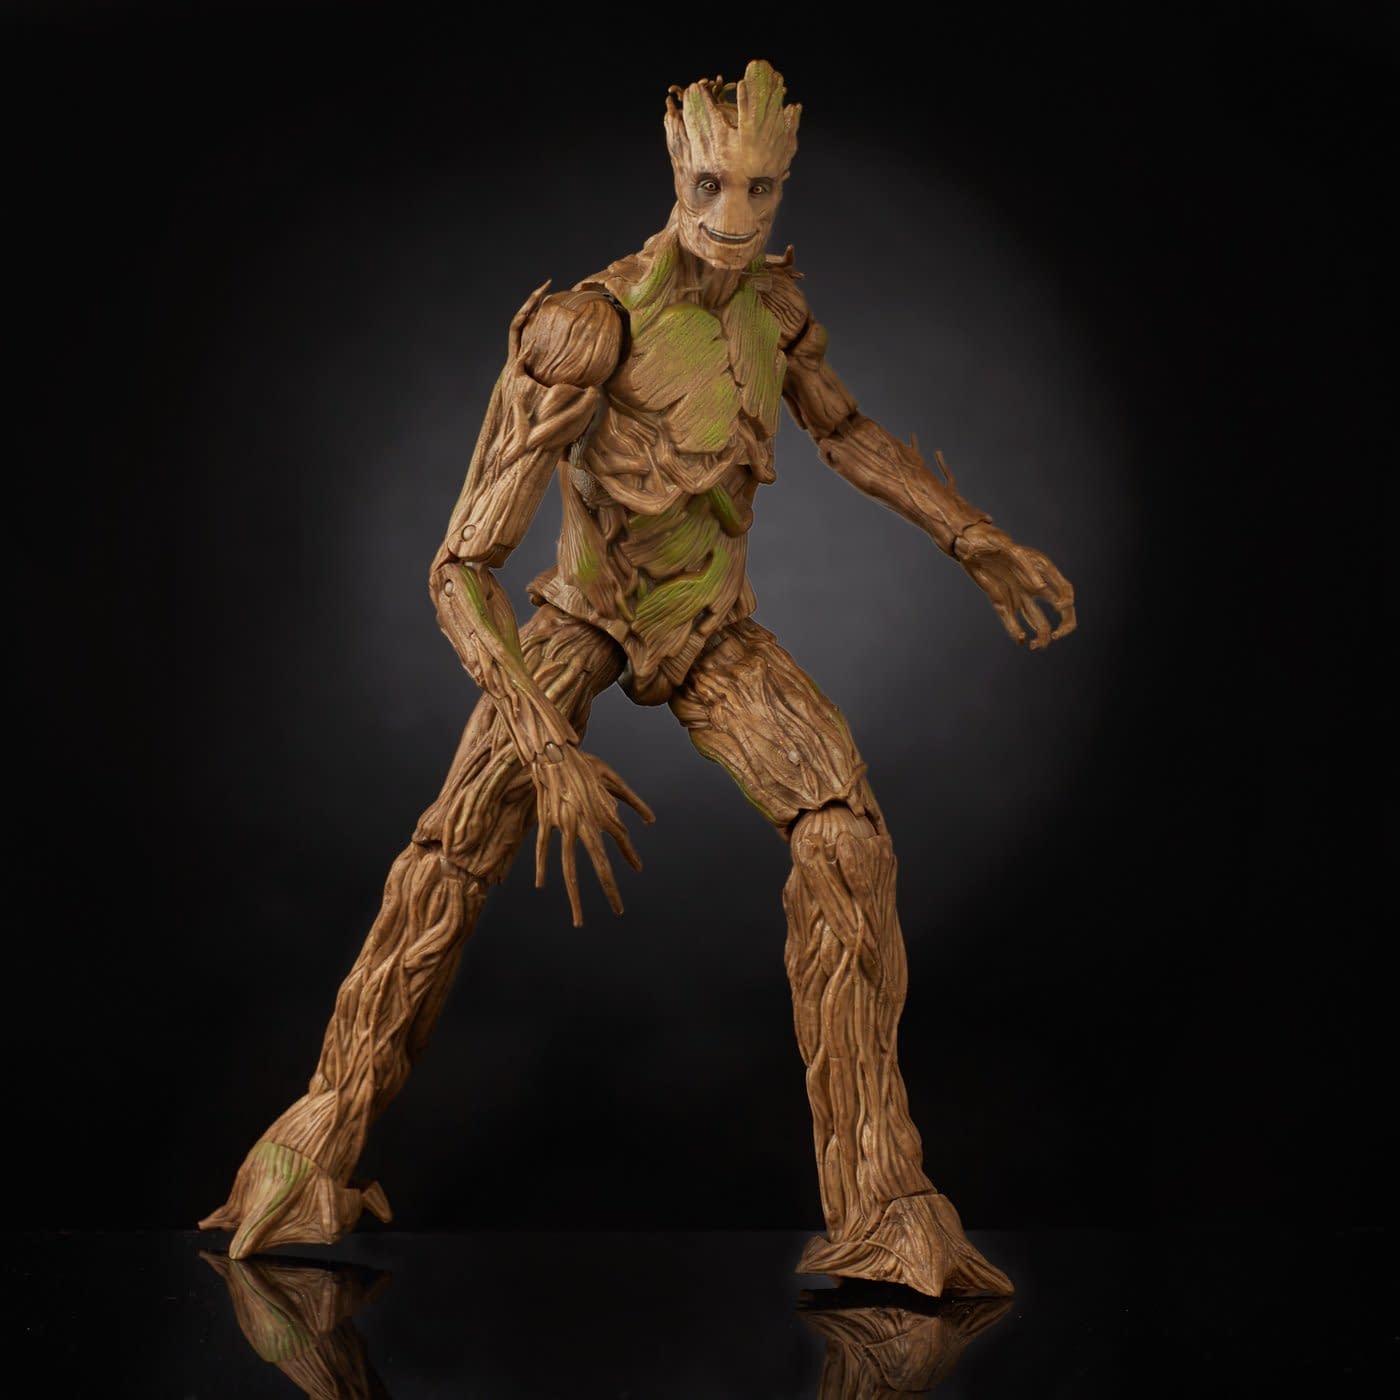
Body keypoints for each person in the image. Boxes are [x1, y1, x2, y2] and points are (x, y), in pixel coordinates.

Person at [202, 59, 1074, 1297]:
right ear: (677, 172)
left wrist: (968, 531)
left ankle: (880, 1204)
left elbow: (841, 429)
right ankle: (307, 1149)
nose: (734, 212)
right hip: (583, 618)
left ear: (784, 185)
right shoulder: (588, 325)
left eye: (760, 187)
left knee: (845, 842)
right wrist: (544, 742)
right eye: (712, 183)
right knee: (450, 854)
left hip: (709, 628)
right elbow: (459, 566)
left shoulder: (772, 311)